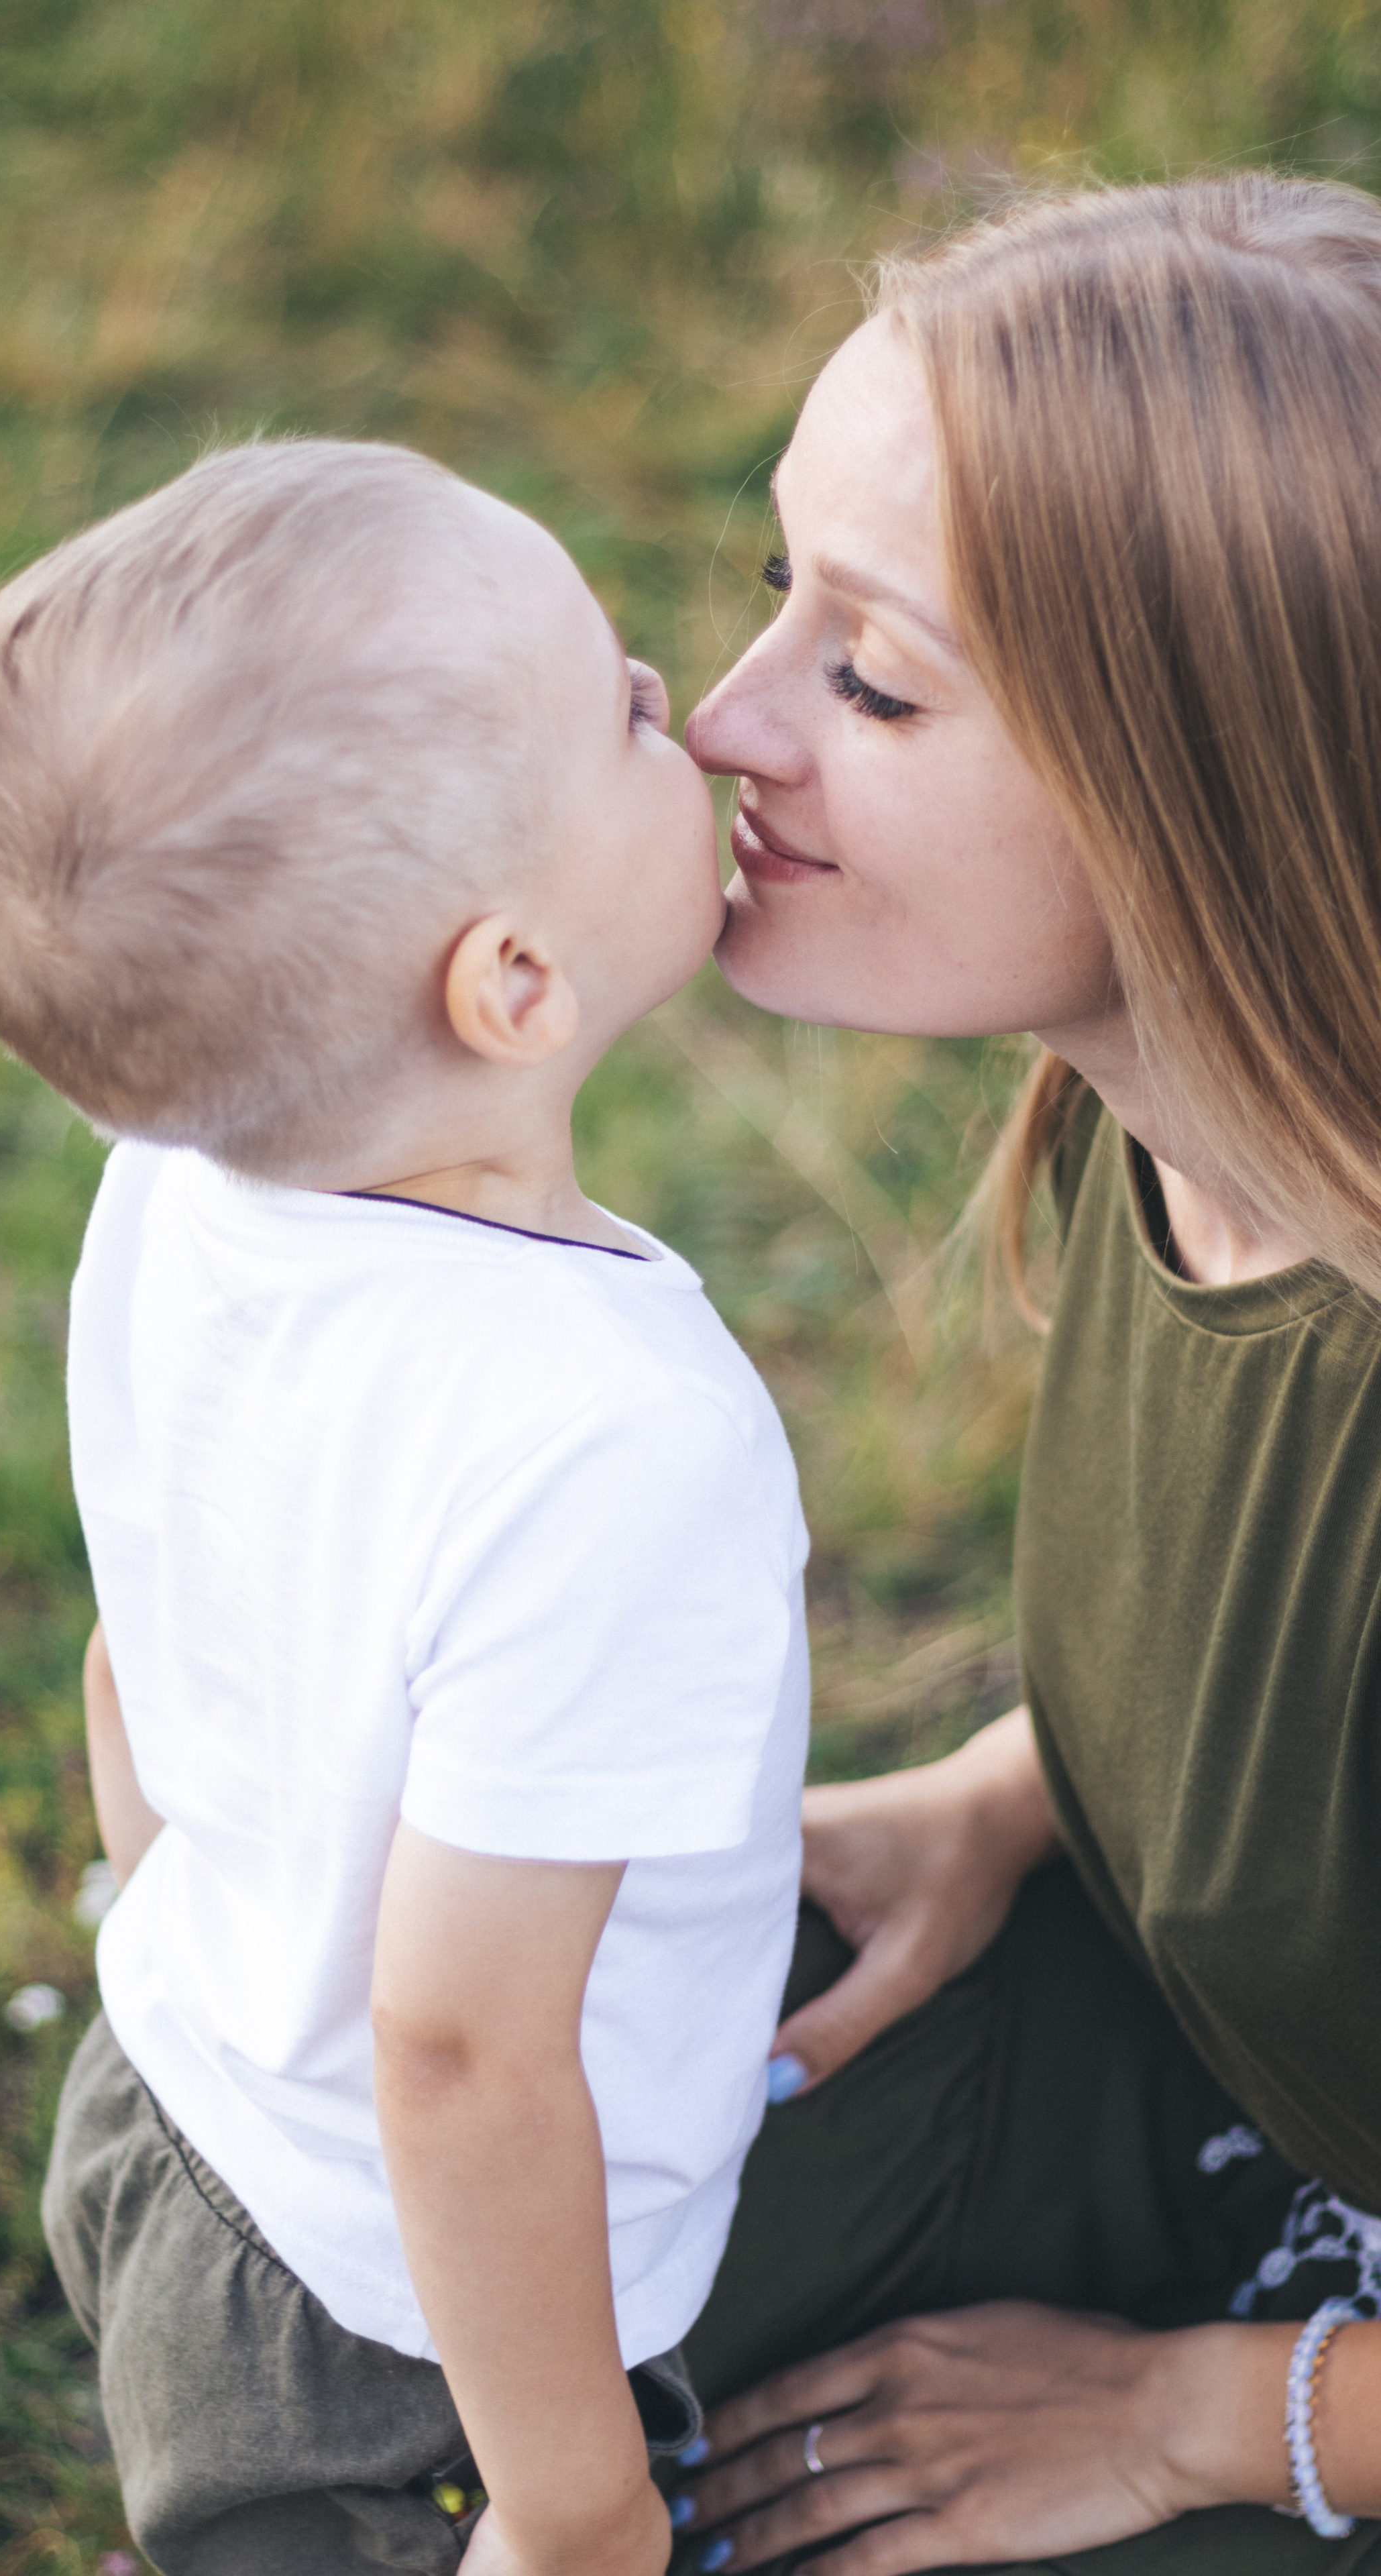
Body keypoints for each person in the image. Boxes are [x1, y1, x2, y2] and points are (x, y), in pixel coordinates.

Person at [0, 438, 812, 2576]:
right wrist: (574, 2498)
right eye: (627, 712)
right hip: (402, 2353)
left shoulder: (181, 1194)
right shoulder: (613, 1438)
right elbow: (460, 2041)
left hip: (164, 2114)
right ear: (511, 985)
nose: (683, 691)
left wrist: (213, 1980)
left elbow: (146, 1652)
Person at [666, 174, 1381, 2572]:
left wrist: (1197, 2420)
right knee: (403, 2112)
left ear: (1219, 792)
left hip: (1319, 2363)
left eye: (872, 680)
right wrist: (1021, 1794)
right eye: (778, 590)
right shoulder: (1152, 1118)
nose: (732, 721)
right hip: (1240, 2095)